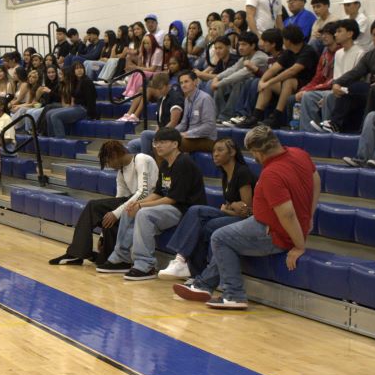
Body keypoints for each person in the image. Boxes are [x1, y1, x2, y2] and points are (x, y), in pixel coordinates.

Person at [174, 126, 320, 310]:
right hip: (273, 224)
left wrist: (299, 245)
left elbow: (288, 214)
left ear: (257, 151)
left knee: (220, 237)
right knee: (223, 233)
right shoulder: (299, 154)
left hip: (273, 232)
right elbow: (316, 180)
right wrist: (310, 215)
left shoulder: (272, 173)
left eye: (253, 154)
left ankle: (233, 294)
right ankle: (203, 285)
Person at [96, 128, 206, 280]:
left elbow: (173, 199)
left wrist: (141, 206)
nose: (157, 146)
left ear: (175, 144)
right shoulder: (165, 165)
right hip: (169, 207)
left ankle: (146, 265)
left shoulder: (184, 163)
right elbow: (159, 193)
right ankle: (121, 258)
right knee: (130, 208)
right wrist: (137, 203)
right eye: (156, 142)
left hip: (184, 211)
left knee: (144, 213)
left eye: (162, 142)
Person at [158, 138, 256, 280]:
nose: (215, 154)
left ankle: (183, 263)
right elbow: (232, 207)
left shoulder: (242, 172)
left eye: (220, 150)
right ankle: (189, 268)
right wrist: (230, 208)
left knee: (199, 216)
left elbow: (247, 210)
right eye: (213, 151)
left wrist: (230, 207)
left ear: (233, 152)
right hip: (232, 215)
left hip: (247, 221)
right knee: (198, 216)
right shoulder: (225, 174)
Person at [49, 141, 158, 266]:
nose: (108, 166)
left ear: (115, 155)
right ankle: (106, 257)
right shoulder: (121, 171)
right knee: (102, 259)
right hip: (132, 203)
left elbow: (143, 192)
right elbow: (118, 199)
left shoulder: (141, 159)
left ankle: (76, 254)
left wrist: (116, 214)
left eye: (108, 161)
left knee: (93, 206)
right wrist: (102, 235)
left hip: (148, 201)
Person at [318, 19, 375, 134]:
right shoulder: (371, 55)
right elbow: (355, 72)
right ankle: (335, 124)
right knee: (349, 87)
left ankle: (365, 131)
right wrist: (337, 83)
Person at [299, 22, 364, 131]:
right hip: (335, 88)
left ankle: (328, 130)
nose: (336, 34)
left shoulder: (360, 53)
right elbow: (336, 78)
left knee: (329, 97)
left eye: (339, 31)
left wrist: (334, 90)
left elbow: (357, 79)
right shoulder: (338, 53)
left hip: (349, 91)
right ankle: (309, 133)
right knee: (308, 96)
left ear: (350, 34)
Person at [212, 31, 269, 122]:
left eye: (244, 45)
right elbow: (233, 69)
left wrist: (220, 83)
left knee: (239, 82)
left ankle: (228, 116)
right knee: (220, 85)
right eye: (239, 45)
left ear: (253, 46)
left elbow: (242, 73)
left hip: (260, 87)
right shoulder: (244, 58)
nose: (240, 48)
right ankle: (218, 116)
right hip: (250, 84)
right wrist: (217, 78)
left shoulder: (259, 57)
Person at [126, 72, 184, 157]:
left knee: (145, 134)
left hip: (172, 133)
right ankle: (139, 167)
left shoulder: (175, 98)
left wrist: (159, 135)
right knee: (132, 144)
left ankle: (145, 164)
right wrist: (158, 131)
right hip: (162, 132)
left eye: (160, 88)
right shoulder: (161, 98)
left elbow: (173, 123)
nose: (158, 91)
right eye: (157, 88)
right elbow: (160, 122)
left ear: (167, 85)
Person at [45, 61, 96, 138]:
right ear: (73, 71)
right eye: (76, 68)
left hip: (83, 109)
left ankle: (60, 141)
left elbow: (91, 100)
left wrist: (91, 115)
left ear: (84, 69)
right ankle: (52, 139)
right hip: (76, 107)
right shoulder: (75, 81)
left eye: (81, 68)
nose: (79, 70)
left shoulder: (87, 81)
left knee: (55, 116)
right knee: (48, 113)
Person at [176, 71, 217, 152]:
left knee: (171, 144)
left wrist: (188, 134)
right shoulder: (187, 99)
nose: (183, 85)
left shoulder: (205, 98)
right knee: (163, 140)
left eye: (186, 81)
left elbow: (209, 125)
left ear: (195, 82)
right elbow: (183, 123)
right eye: (181, 83)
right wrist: (171, 132)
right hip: (192, 137)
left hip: (207, 139)